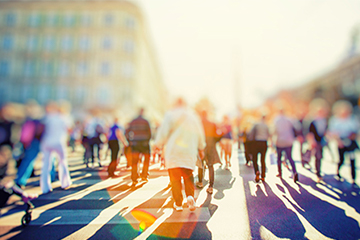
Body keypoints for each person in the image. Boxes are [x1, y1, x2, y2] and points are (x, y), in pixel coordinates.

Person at [153, 98, 206, 211]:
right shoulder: (193, 116)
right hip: (189, 151)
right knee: (188, 176)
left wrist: (157, 144)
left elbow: (163, 133)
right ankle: (190, 197)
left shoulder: (170, 115)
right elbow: (200, 134)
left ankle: (178, 204)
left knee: (175, 179)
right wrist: (201, 148)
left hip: (173, 153)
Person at [40, 102, 72, 194]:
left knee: (46, 164)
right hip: (59, 142)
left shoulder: (48, 117)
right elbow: (69, 129)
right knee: (62, 161)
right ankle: (65, 183)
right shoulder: (64, 118)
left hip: (47, 142)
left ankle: (45, 187)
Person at [15, 101, 44, 189]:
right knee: (30, 161)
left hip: (31, 142)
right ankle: (20, 180)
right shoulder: (37, 120)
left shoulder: (29, 120)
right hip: (36, 142)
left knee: (28, 161)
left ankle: (20, 180)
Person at [328, 100, 359, 184]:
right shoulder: (335, 120)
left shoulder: (352, 119)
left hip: (351, 142)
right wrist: (338, 141)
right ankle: (338, 171)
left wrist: (353, 135)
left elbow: (356, 130)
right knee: (341, 159)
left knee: (352, 159)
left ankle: (353, 177)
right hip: (340, 142)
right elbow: (332, 132)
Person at [196, 110, 222, 194]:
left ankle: (200, 182)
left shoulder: (198, 123)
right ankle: (210, 186)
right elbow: (218, 135)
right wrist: (214, 142)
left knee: (200, 165)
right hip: (211, 146)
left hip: (202, 146)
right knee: (210, 166)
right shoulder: (212, 123)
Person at [306, 99, 329, 182]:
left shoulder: (324, 120)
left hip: (322, 140)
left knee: (320, 156)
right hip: (315, 141)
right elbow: (310, 132)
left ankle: (318, 171)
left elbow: (326, 131)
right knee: (317, 156)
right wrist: (312, 141)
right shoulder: (313, 121)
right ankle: (317, 173)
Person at [273, 109, 299, 183]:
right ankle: (294, 171)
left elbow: (274, 131)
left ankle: (280, 173)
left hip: (280, 141)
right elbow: (297, 127)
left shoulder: (276, 120)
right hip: (289, 141)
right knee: (290, 157)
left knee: (279, 158)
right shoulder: (289, 119)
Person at [127, 108, 152, 185]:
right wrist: (147, 140)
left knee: (135, 161)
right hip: (144, 143)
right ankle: (144, 175)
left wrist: (130, 140)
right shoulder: (146, 121)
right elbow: (150, 132)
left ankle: (134, 178)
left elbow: (127, 131)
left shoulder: (133, 121)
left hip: (135, 143)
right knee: (146, 159)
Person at [248, 114, 270, 182]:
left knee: (255, 159)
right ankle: (263, 176)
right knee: (263, 159)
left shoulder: (256, 124)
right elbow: (269, 134)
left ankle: (257, 171)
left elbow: (251, 134)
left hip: (256, 143)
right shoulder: (267, 125)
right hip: (264, 143)